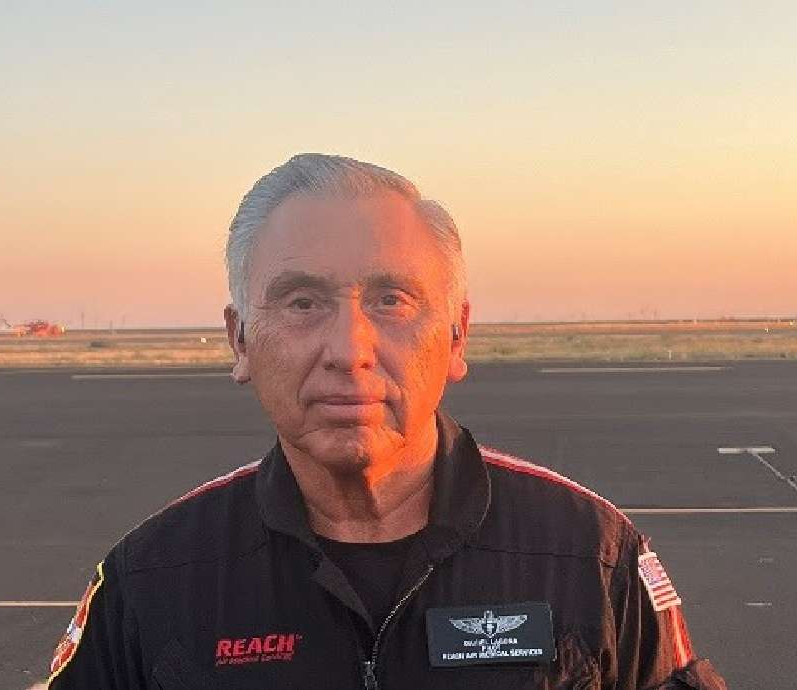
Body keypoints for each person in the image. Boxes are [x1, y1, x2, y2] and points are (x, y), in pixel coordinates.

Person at [46, 153, 727, 690]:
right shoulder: (152, 578)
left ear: (457, 337)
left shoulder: (589, 555)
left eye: (392, 300)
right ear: (241, 340)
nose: (349, 350)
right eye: (303, 301)